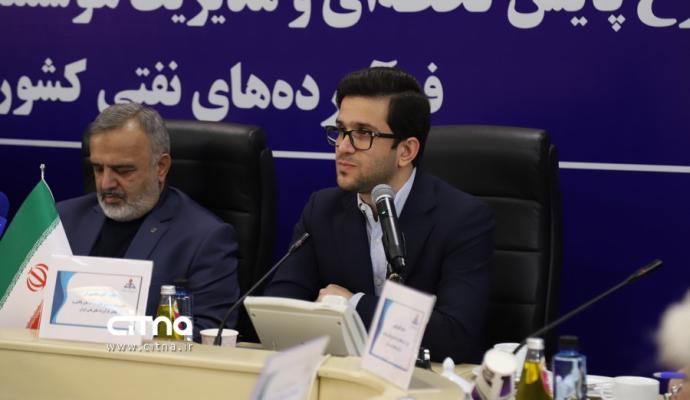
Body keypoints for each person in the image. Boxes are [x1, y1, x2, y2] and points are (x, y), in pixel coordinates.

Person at [264, 67, 494, 362]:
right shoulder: (322, 209)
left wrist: (353, 305)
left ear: (406, 151)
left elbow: (454, 336)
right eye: (341, 131)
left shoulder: (463, 219)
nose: (343, 147)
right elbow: (280, 309)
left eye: (363, 134)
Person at [57, 103, 240, 335]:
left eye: (123, 170)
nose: (105, 183)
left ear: (161, 167)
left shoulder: (205, 238)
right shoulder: (63, 220)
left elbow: (209, 334)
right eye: (98, 168)